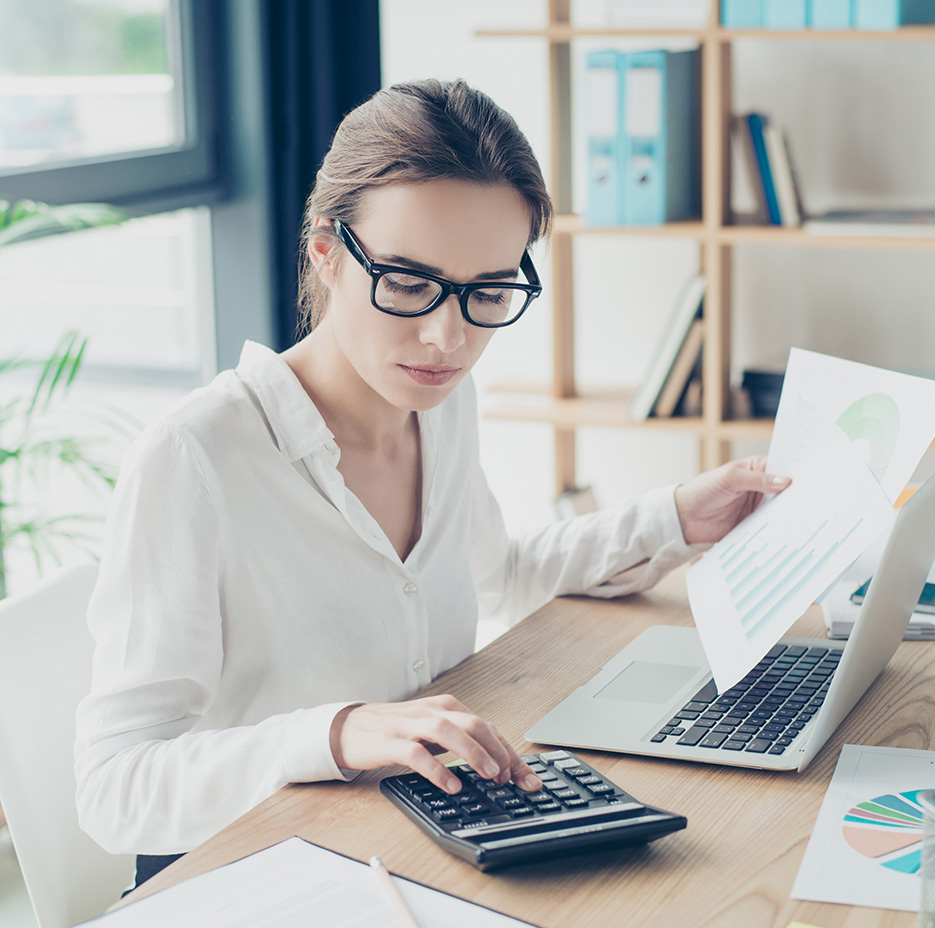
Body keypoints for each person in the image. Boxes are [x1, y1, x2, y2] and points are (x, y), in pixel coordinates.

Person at [74, 78, 790, 885]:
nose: (448, 336)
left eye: (488, 291)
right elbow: (114, 788)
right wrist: (338, 733)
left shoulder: (441, 405)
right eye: (409, 283)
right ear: (325, 252)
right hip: (252, 877)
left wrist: (675, 521)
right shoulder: (195, 458)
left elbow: (501, 575)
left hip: (411, 845)